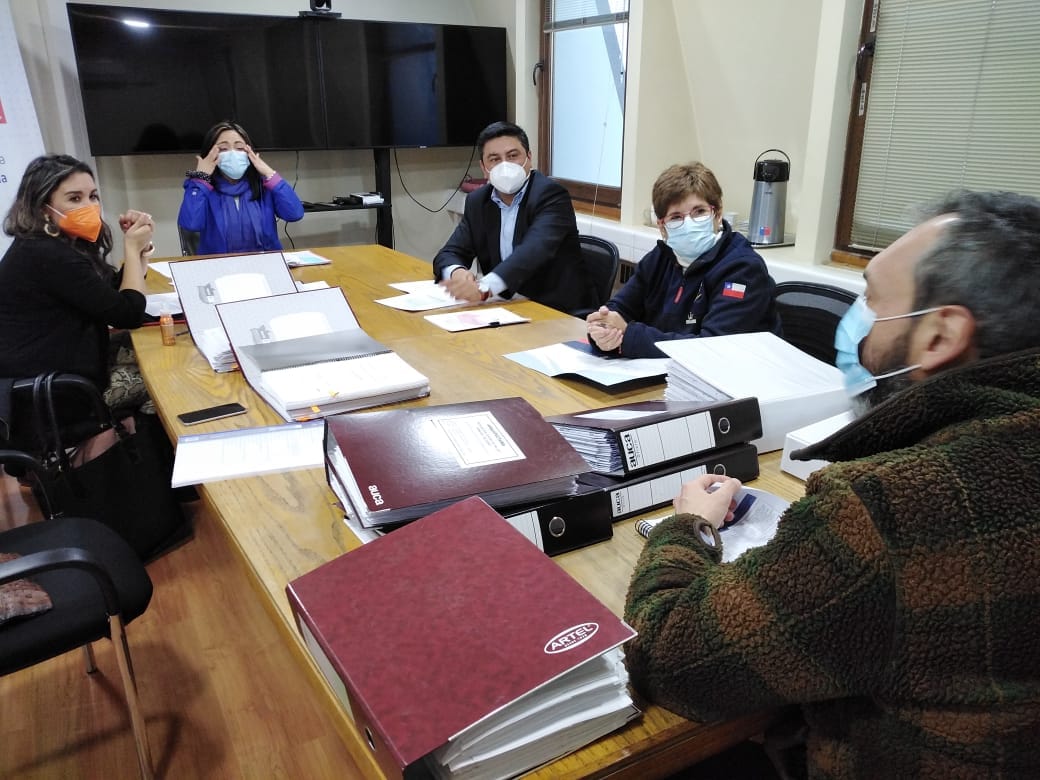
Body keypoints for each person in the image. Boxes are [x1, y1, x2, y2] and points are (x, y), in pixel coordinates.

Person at [623, 190, 1040, 778]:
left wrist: (684, 527)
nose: (857, 318)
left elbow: (667, 657)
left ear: (941, 338)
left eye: (870, 296)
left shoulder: (889, 508)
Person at [0, 154, 155, 414]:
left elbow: (108, 296)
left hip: (59, 367)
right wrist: (131, 247)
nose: (89, 206)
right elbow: (127, 314)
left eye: (93, 196)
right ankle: (117, 447)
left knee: (156, 351)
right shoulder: (45, 253)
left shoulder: (56, 244)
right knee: (166, 381)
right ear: (42, 208)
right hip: (51, 389)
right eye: (75, 198)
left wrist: (138, 252)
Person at [586, 162, 781, 359]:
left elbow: (712, 350)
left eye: (699, 212)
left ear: (717, 214)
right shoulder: (661, 257)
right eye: (676, 217)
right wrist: (603, 331)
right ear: (662, 227)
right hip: (661, 378)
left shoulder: (743, 269)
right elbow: (619, 309)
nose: (689, 223)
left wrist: (629, 337)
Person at [432, 121, 597, 313]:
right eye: (494, 159)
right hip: (507, 308)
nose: (505, 165)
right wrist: (457, 272)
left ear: (529, 157)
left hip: (555, 310)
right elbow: (448, 253)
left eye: (512, 156)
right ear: (484, 167)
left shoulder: (551, 195)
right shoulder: (478, 201)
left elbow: (533, 251)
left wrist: (484, 288)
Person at [177, 120, 304, 255]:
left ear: (249, 152)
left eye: (239, 148)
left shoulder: (263, 185)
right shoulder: (202, 188)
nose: (232, 153)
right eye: (223, 149)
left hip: (265, 265)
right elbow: (190, 224)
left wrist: (269, 173)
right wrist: (200, 179)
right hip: (218, 268)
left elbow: (294, 214)